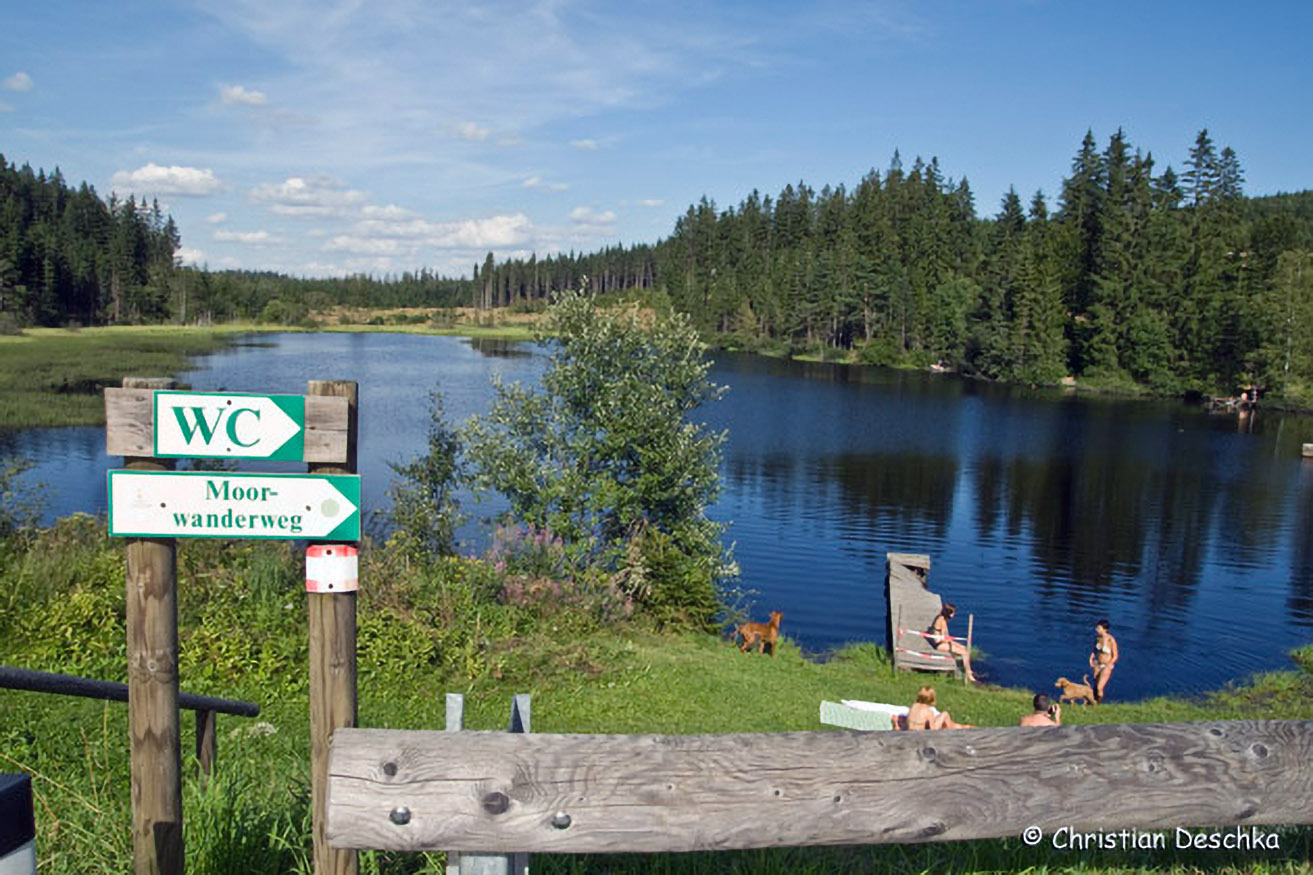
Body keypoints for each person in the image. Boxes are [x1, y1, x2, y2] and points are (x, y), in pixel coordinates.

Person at [929, 602, 976, 683]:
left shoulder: (942, 618)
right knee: (964, 652)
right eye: (953, 612)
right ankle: (968, 674)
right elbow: (943, 638)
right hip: (938, 643)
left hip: (940, 640)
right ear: (948, 613)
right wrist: (954, 643)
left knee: (963, 648)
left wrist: (955, 643)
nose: (954, 614)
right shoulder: (942, 621)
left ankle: (968, 668)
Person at [904, 685, 972, 730]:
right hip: (921, 736)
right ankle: (949, 733)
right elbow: (933, 729)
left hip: (910, 732)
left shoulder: (913, 706)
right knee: (945, 714)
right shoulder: (928, 712)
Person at [1088, 618, 1119, 702]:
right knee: (1095, 685)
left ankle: (1098, 702)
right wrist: (1091, 658)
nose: (1096, 629)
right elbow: (1095, 650)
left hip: (1107, 665)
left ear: (1104, 629)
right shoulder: (1098, 638)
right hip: (1098, 664)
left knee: (1099, 687)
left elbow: (1115, 655)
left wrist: (1109, 665)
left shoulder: (1110, 639)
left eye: (1098, 628)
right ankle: (1093, 702)